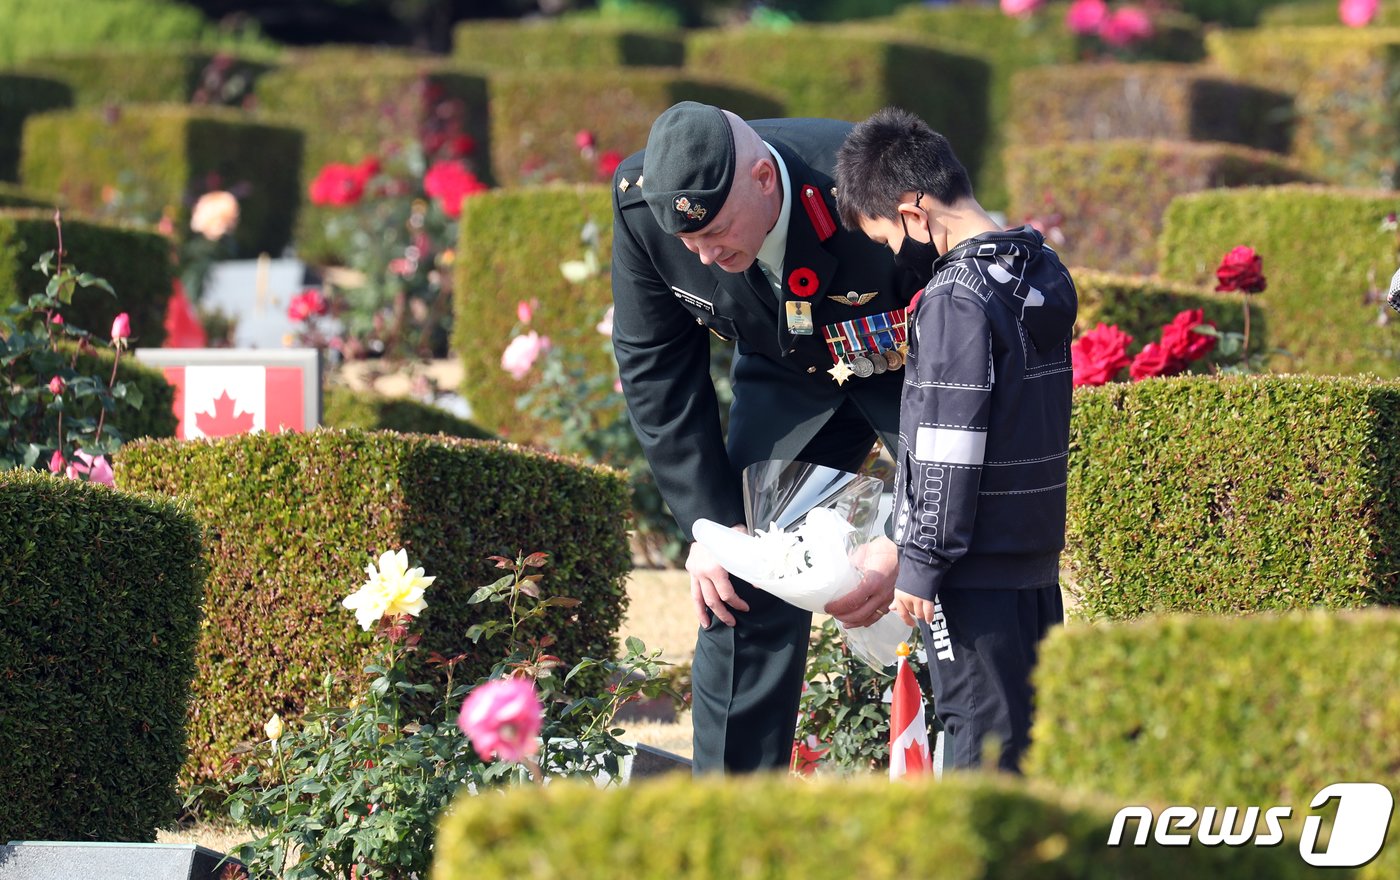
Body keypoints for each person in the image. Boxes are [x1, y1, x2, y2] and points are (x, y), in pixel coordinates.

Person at [610, 102, 916, 773]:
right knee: (739, 584)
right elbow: (655, 370)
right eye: (689, 244)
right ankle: (735, 814)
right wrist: (713, 534)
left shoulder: (878, 181)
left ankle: (982, 780)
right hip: (786, 368)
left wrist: (909, 544)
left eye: (716, 233)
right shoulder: (645, 209)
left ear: (762, 179)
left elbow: (964, 370)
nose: (704, 257)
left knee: (948, 567)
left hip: (907, 362)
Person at [834, 106, 1078, 773]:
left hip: (970, 571)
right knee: (1028, 743)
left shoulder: (955, 297)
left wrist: (923, 559)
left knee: (978, 745)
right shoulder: (1039, 270)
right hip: (1029, 554)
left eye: (887, 238)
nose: (893, 255)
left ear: (914, 212)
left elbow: (949, 444)